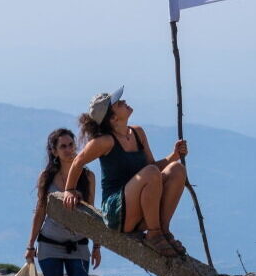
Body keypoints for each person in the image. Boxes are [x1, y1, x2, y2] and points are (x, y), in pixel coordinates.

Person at [62, 86, 189, 258]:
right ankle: (154, 234)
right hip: (118, 212)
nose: (124, 102)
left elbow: (153, 170)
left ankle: (163, 231)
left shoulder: (138, 133)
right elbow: (78, 161)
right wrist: (69, 189)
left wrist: (173, 156)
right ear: (112, 117)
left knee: (177, 169)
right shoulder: (105, 142)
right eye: (119, 103)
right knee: (151, 172)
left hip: (140, 207)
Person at [24, 127, 102, 276]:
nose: (68, 150)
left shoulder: (87, 176)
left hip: (79, 245)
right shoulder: (46, 176)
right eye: (63, 146)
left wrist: (97, 245)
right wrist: (30, 246)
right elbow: (40, 211)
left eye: (71, 145)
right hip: (49, 244)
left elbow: (93, 213)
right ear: (54, 151)